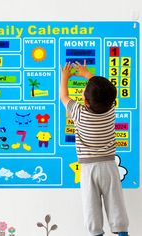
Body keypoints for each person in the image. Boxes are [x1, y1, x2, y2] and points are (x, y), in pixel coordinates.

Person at [60, 61, 129, 236]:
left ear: (86, 102)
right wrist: (88, 75)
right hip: (109, 166)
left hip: (88, 168)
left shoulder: (79, 113)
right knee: (116, 202)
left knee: (90, 206)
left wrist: (65, 77)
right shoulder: (110, 110)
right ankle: (122, 231)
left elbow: (63, 97)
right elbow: (102, 92)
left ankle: (95, 232)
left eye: (84, 92)